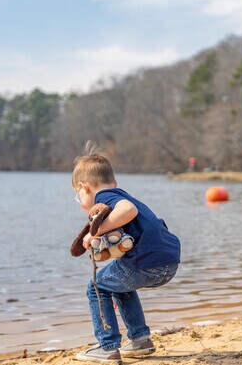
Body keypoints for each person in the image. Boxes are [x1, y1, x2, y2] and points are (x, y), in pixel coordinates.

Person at [72, 141, 181, 363]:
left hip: (145, 263)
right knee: (119, 286)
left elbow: (128, 211)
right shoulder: (122, 194)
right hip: (169, 262)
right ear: (114, 181)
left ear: (84, 187)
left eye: (78, 195)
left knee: (96, 286)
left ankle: (108, 346)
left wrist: (95, 232)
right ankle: (140, 340)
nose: (80, 201)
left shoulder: (105, 197)